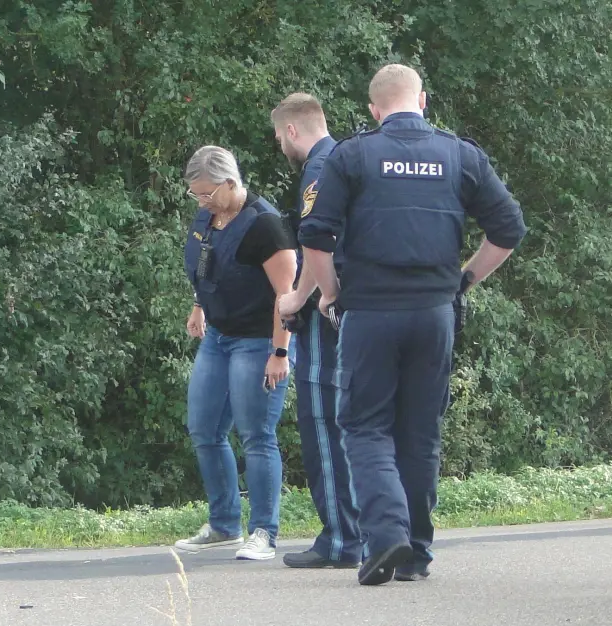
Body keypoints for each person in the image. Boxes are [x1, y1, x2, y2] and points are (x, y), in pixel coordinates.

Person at [280, 64, 527, 585]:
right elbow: (508, 228)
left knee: (365, 426)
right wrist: (463, 280)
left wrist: (330, 293)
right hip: (434, 315)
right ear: (423, 102)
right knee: (418, 431)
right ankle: (414, 552)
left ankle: (386, 533)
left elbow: (316, 235)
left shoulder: (352, 155)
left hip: (370, 312)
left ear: (374, 109)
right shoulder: (461, 155)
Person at [174, 145, 300, 561]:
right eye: (196, 195)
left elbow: (286, 295)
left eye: (208, 193)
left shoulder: (265, 226)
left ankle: (263, 531)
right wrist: (198, 306)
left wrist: (279, 352)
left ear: (231, 183)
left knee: (255, 434)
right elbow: (205, 265)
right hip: (218, 336)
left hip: (258, 340)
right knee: (204, 428)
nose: (202, 202)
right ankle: (224, 524)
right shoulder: (208, 215)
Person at [271, 92, 359, 570]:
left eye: (277, 135)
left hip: (328, 312)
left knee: (322, 421)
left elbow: (315, 244)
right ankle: (358, 531)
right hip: (361, 307)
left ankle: (341, 538)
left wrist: (297, 300)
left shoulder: (319, 168)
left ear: (291, 130)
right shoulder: (350, 159)